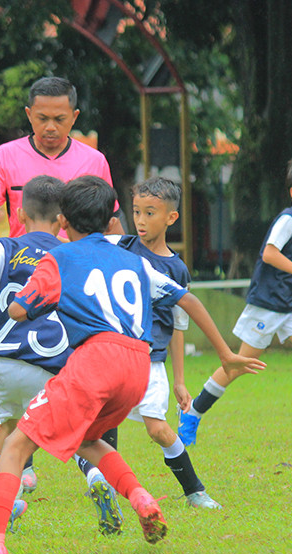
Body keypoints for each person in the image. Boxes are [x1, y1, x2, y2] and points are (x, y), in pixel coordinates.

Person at [0, 176, 266, 554]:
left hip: (95, 362)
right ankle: (142, 499)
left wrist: (40, 298)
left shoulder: (60, 259)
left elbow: (19, 310)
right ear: (111, 222)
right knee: (89, 439)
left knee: (17, 445)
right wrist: (226, 354)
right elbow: (186, 298)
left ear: (63, 221)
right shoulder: (134, 259)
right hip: (137, 367)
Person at [0, 75, 124, 493]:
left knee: (92, 371)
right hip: (22, 279)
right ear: (28, 115)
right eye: (41, 118)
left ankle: (90, 472)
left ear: (74, 117)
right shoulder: (5, 157)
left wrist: (123, 266)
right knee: (4, 372)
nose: (50, 127)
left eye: (60, 119)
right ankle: (25, 465)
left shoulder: (93, 161)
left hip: (78, 282)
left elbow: (112, 221)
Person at [0, 175, 124, 536]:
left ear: (21, 213)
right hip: (51, 367)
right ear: (63, 218)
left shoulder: (6, 246)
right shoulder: (67, 253)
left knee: (9, 429)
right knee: (77, 434)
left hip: (1, 362)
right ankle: (96, 478)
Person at [178, 156, 292, 448]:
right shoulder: (289, 219)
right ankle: (192, 414)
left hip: (291, 304)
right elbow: (269, 253)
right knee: (238, 364)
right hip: (268, 304)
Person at [104, 177, 222, 509]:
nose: (140, 220)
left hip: (149, 359)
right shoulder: (121, 247)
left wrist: (181, 381)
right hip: (113, 352)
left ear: (171, 218)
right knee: (102, 417)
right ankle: (105, 483)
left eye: (150, 213)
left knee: (157, 430)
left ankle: (194, 490)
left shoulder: (175, 268)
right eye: (137, 212)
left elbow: (179, 324)